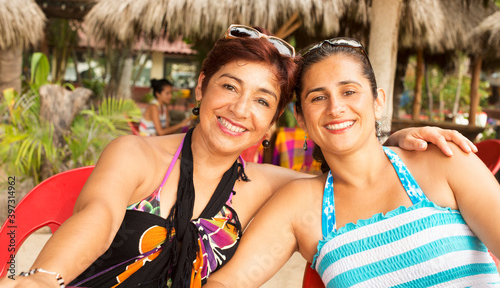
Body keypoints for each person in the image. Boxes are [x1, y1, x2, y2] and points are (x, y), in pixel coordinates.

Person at [0, 27, 476, 288]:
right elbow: (99, 216)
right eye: (229, 87)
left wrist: (393, 140)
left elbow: (355, 172)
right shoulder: (136, 153)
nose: (240, 110)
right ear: (202, 87)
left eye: (263, 101)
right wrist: (43, 279)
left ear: (272, 124)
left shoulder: (270, 186)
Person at [204, 37, 500, 288]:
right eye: (318, 98)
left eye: (349, 91)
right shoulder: (301, 206)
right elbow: (226, 282)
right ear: (302, 118)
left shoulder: (443, 161)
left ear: (377, 101)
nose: (336, 108)